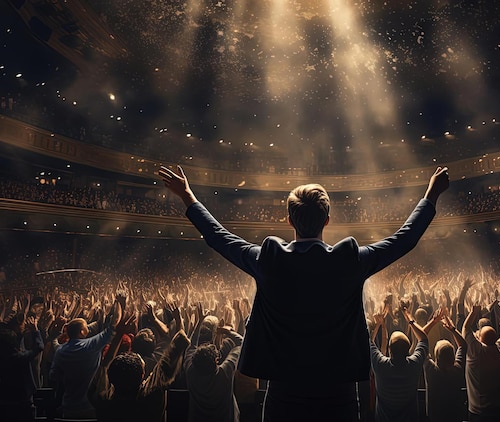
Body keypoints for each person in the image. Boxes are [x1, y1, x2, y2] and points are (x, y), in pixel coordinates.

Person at [160, 164, 449, 422]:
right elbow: (405, 239)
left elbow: (218, 236)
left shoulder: (268, 259)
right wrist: (431, 195)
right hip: (339, 395)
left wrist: (188, 196)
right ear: (327, 220)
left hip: (283, 393)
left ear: (289, 220)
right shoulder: (350, 260)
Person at [49, 302, 121, 419]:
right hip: (90, 406)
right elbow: (113, 325)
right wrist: (119, 304)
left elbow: (53, 376)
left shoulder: (60, 351)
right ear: (82, 332)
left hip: (68, 406)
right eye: (86, 327)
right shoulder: (91, 345)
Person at [462, 302, 500, 422]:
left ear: (480, 339)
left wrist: (473, 313)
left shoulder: (476, 353)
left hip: (479, 412)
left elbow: (465, 328)